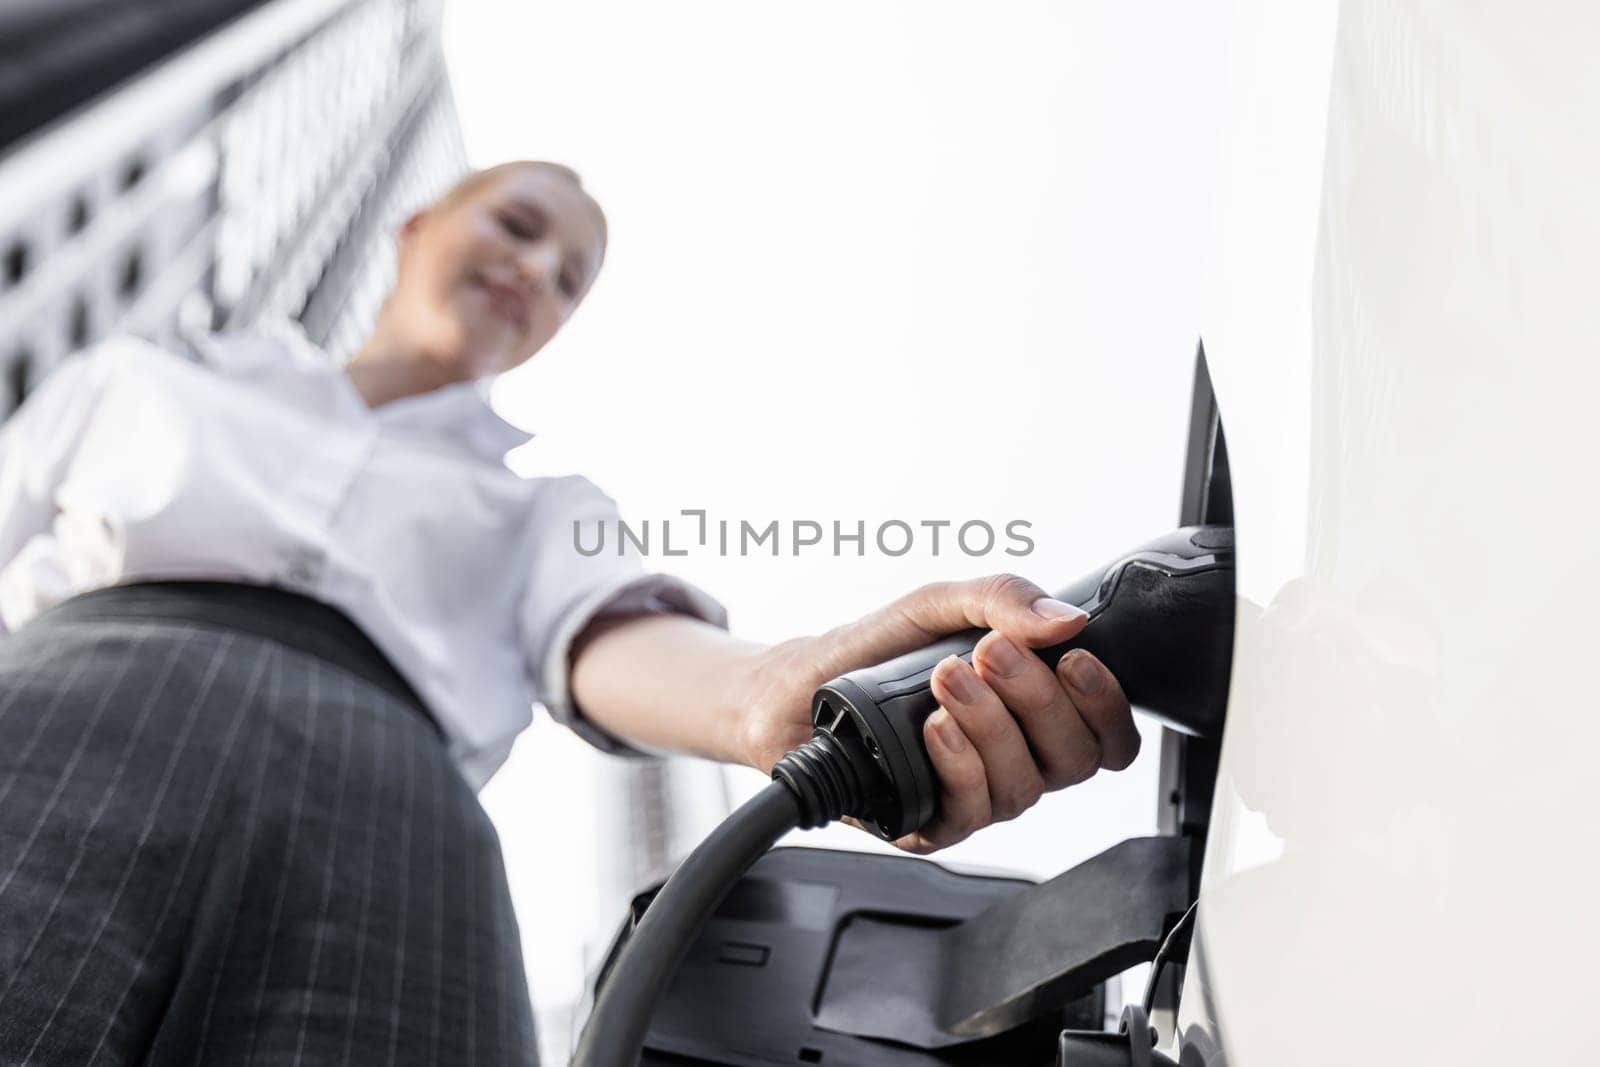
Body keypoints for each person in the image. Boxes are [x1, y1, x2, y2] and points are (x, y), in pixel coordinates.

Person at [0, 160, 1139, 1064]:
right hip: (71, 713)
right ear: (415, 227)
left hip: (394, 818)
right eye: (515, 226)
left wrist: (778, 695)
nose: (534, 271)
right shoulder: (140, 381)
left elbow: (613, 641)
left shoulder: (540, 508)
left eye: (567, 278)